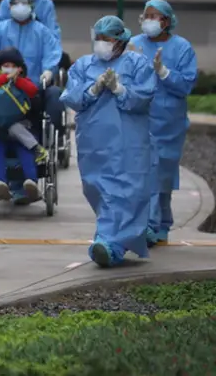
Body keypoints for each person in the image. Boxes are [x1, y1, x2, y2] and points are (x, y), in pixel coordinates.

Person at [60, 15, 157, 268]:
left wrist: (120, 89)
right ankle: (115, 237)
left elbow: (144, 97)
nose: (101, 43)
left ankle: (108, 244)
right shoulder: (83, 66)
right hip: (94, 142)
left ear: (121, 40)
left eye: (108, 39)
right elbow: (71, 97)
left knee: (124, 191)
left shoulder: (138, 64)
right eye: (99, 38)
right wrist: (93, 90)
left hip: (128, 142)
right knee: (97, 190)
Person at [129, 0, 198, 246]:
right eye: (145, 15)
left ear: (166, 21)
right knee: (146, 173)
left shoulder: (182, 48)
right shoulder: (134, 45)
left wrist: (164, 73)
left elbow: (186, 85)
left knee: (162, 177)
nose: (148, 21)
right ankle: (148, 225)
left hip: (169, 123)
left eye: (154, 16)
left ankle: (161, 224)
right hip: (139, 119)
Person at [0, 0, 65, 133]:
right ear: (9, 6)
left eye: (24, 3)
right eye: (15, 3)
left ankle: (55, 136)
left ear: (32, 6)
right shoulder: (1, 29)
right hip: (2, 87)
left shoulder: (42, 31)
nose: (20, 7)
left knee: (55, 94)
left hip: (32, 89)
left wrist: (48, 71)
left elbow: (52, 53)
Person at [0, 48, 49, 175]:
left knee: (13, 127)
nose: (10, 68)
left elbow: (32, 90)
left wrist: (17, 79)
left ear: (20, 68)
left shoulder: (23, 80)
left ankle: (36, 149)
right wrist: (6, 77)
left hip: (18, 121)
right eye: (6, 66)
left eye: (13, 66)